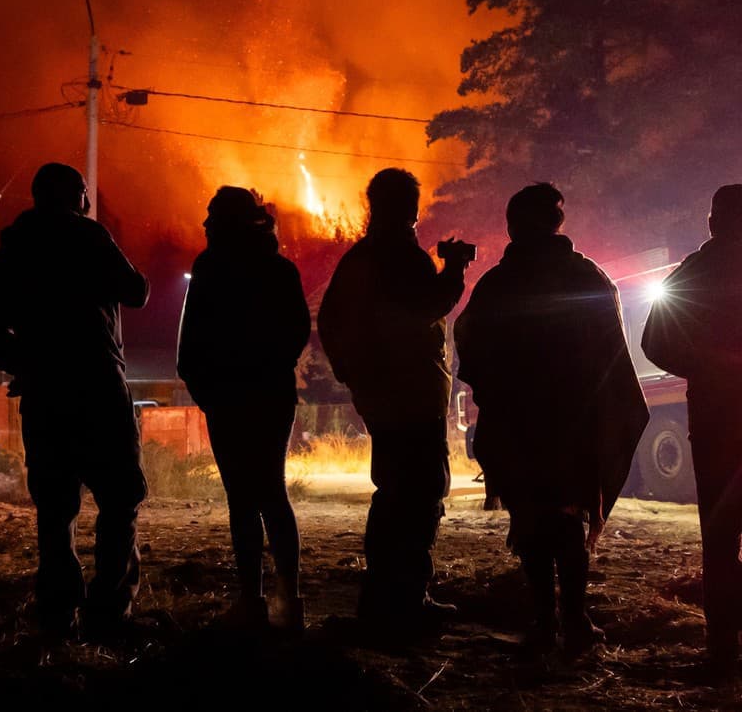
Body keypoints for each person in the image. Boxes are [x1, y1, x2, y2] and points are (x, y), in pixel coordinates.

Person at [455, 184, 647, 652]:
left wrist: (498, 388)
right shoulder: (589, 277)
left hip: (517, 425)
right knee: (569, 516)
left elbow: (469, 340)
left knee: (530, 519)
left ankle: (545, 620)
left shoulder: (498, 284)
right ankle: (575, 620)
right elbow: (612, 356)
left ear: (514, 226)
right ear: (557, 226)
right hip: (575, 426)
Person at [0, 162, 150, 640]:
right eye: (83, 195)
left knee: (55, 507)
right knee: (120, 497)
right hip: (98, 389)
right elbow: (136, 292)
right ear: (75, 196)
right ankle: (110, 609)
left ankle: (58, 610)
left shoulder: (12, 251)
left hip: (46, 395)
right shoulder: (89, 237)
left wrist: (26, 365)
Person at [316, 168, 472, 633]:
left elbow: (328, 321)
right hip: (415, 400)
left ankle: (382, 600)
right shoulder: (402, 256)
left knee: (390, 497)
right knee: (422, 497)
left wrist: (354, 376)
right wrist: (455, 270)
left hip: (382, 400)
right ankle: (407, 602)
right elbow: (430, 304)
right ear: (411, 209)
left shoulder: (358, 258)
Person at [177, 187, 310, 632]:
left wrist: (207, 390)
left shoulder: (210, 269)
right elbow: (296, 335)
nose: (206, 224)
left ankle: (252, 602)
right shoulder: (280, 270)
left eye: (213, 217)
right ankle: (290, 601)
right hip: (270, 393)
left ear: (228, 223)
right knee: (272, 493)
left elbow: (190, 342)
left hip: (229, 396)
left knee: (243, 499)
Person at [642, 185, 742, 678]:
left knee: (720, 536)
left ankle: (722, 646)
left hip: (716, 417)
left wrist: (702, 368)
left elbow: (654, 340)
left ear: (712, 223)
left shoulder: (693, 273)